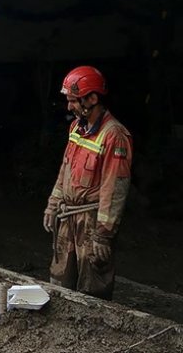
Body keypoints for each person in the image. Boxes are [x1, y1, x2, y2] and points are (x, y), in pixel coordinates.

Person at [43, 66, 132, 300]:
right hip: (68, 216)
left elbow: (114, 188)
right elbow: (66, 169)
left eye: (73, 100)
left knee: (92, 286)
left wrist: (103, 235)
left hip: (92, 222)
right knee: (60, 280)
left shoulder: (114, 135)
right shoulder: (76, 128)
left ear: (92, 98)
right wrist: (53, 204)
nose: (69, 106)